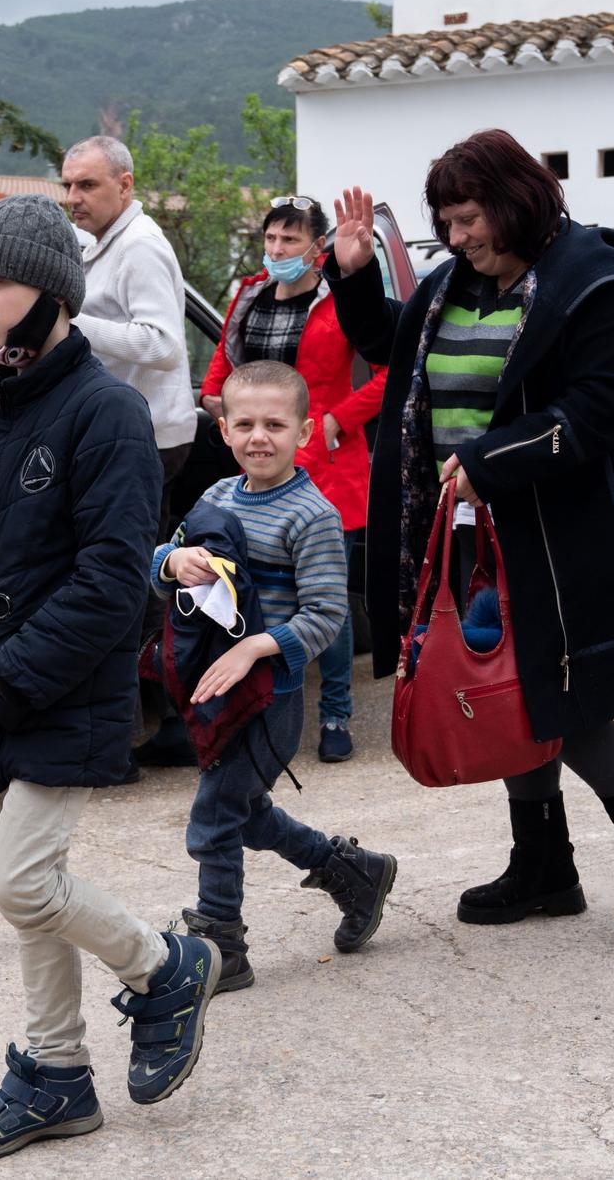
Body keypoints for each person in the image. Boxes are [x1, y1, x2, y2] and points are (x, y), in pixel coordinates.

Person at [0, 194, 222, 1166]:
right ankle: (56, 1071)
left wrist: (10, 672)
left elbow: (114, 577)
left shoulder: (107, 412)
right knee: (36, 881)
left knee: (24, 880)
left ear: (51, 291)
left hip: (59, 686)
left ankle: (165, 966)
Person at [326, 129, 614, 941]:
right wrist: (356, 276)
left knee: (552, 689)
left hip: (562, 533)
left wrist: (488, 459)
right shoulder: (450, 287)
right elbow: (389, 348)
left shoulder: (598, 283)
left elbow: (602, 410)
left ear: (515, 201)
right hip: (475, 529)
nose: (458, 239)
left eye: (469, 219)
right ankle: (543, 862)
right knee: (505, 681)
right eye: (448, 224)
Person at [154, 359, 398, 991]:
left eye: (275, 424)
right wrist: (174, 559)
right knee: (242, 812)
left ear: (305, 432)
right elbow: (158, 558)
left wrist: (252, 650)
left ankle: (221, 947)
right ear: (224, 431)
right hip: (214, 689)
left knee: (214, 818)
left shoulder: (312, 515)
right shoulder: (213, 498)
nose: (259, 436)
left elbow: (326, 616)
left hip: (271, 696)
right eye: (245, 424)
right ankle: (354, 873)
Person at [197, 197, 388, 763]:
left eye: (289, 241)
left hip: (325, 466)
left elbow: (387, 371)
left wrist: (336, 419)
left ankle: (334, 714)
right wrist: (221, 410)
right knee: (250, 586)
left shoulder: (339, 299)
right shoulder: (251, 294)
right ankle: (257, 701)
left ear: (317, 247)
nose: (277, 251)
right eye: (271, 239)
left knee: (321, 594)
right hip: (257, 464)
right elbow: (220, 367)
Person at [61, 135, 197, 770]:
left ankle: (169, 719)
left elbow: (165, 344)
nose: (73, 198)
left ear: (125, 183)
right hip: (118, 431)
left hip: (150, 438)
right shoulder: (97, 244)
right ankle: (154, 718)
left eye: (86, 185)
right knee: (133, 578)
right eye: (67, 185)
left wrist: (67, 324)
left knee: (140, 581)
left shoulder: (140, 247)